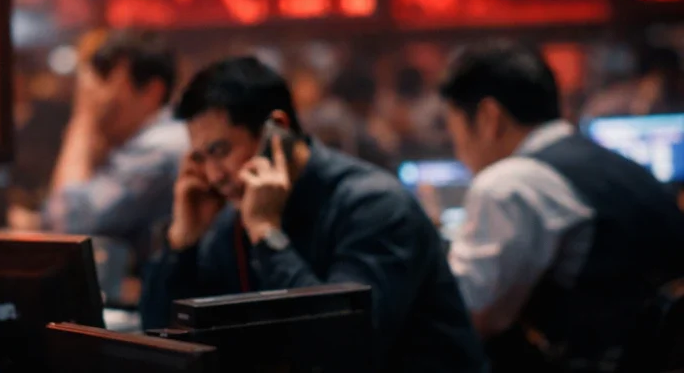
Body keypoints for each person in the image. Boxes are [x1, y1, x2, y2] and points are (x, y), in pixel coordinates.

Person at [141, 57, 485, 372]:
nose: (214, 175)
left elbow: (339, 349)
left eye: (221, 151)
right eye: (200, 158)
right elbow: (162, 346)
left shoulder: (375, 206)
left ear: (276, 130)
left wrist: (267, 233)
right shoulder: (232, 218)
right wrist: (182, 243)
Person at [441, 40, 684, 370]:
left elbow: (468, 313)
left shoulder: (509, 183)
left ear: (488, 117)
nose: (459, 154)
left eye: (455, 134)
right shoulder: (618, 164)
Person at [40, 29, 188, 261]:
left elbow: (67, 226)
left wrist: (83, 117)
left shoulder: (160, 148)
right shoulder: (150, 141)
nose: (97, 95)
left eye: (106, 78)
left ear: (151, 91)